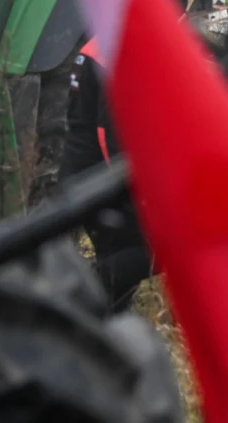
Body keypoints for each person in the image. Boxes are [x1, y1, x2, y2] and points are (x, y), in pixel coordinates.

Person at [59, 37, 153, 313]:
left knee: (117, 265)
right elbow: (108, 134)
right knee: (159, 249)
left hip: (82, 173)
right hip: (101, 181)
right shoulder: (114, 54)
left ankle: (102, 324)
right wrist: (136, 189)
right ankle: (71, 291)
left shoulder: (97, 45)